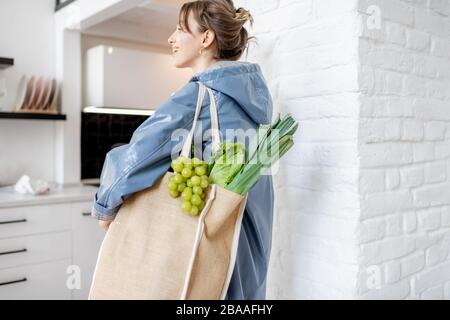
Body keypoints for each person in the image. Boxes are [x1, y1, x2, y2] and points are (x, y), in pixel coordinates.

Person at [91, 0, 274, 300]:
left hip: (204, 255)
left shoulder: (198, 97)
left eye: (179, 29)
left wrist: (105, 205)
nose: (171, 38)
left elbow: (138, 155)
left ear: (206, 38)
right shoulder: (254, 101)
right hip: (246, 256)